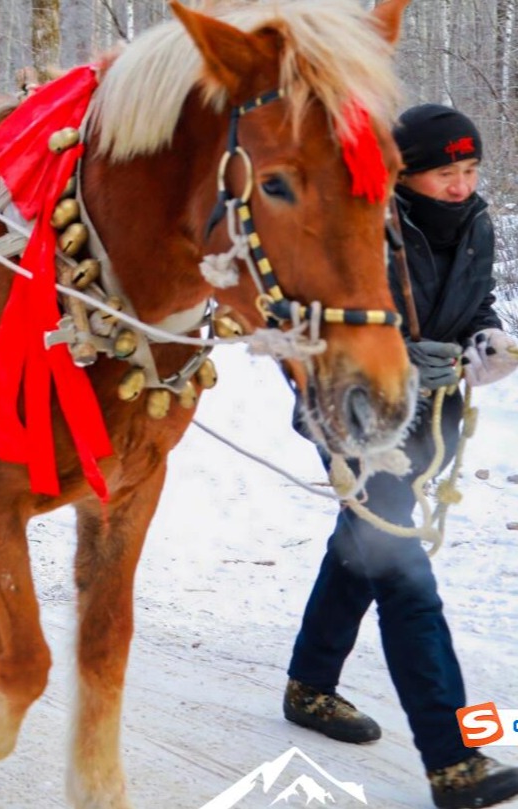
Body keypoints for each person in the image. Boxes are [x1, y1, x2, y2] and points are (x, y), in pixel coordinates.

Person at [281, 105, 518, 809]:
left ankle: (309, 684)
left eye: (469, 169)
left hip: (429, 422)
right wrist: (397, 364)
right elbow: (321, 326)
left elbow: (470, 310)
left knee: (363, 552)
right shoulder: (365, 226)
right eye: (445, 171)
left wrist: (485, 345)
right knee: (404, 577)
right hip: (358, 417)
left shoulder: (475, 223)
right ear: (403, 172)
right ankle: (453, 761)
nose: (459, 184)